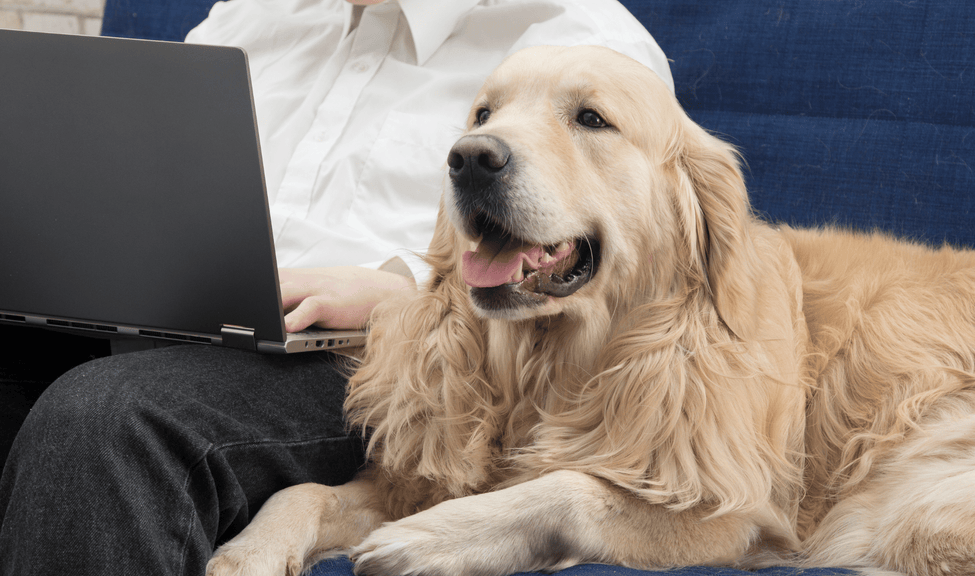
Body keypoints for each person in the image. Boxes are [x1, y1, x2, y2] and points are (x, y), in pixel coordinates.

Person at [0, 1, 671, 574]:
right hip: (177, 318)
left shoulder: (581, 42)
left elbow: (622, 276)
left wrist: (401, 291)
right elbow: (138, 187)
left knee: (107, 418)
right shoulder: (253, 15)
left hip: (395, 365)